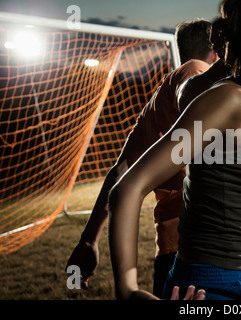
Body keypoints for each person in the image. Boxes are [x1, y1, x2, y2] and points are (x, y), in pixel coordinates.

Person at [107, 0, 241, 300]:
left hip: (238, 279)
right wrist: (128, 291)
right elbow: (128, 187)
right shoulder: (232, 101)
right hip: (209, 287)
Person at [66, 18, 217, 299]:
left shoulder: (155, 102)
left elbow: (120, 170)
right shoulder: (197, 71)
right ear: (217, 53)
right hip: (204, 242)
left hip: (170, 247)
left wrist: (89, 240)